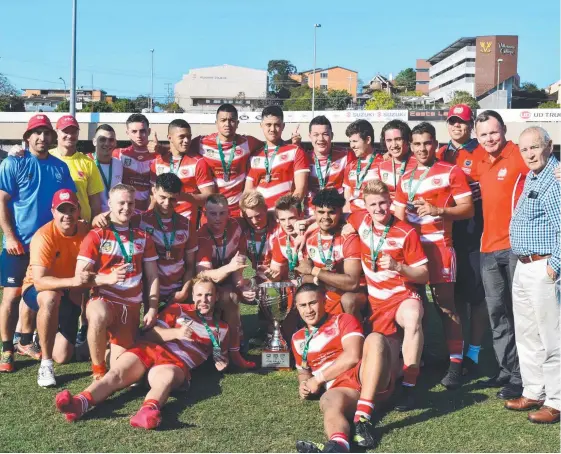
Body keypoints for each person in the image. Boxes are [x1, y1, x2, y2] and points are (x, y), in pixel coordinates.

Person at [55, 276, 230, 429]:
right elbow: (150, 334)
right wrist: (176, 333)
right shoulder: (179, 309)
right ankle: (79, 403)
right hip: (150, 349)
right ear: (193, 296)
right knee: (115, 373)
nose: (204, 299)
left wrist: (222, 362)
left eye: (208, 295)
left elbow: (220, 356)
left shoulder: (222, 329)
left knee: (166, 378)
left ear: (216, 297)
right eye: (199, 295)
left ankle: (147, 412)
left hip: (174, 362)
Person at [394, 122, 474, 390]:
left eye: (426, 143)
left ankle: (456, 363)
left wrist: (439, 210)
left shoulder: (450, 170)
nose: (421, 148)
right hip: (413, 251)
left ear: (435, 144)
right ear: (410, 146)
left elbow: (468, 209)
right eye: (416, 144)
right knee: (417, 306)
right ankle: (422, 356)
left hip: (440, 247)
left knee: (446, 306)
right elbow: (399, 216)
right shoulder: (405, 177)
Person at [0, 114, 76, 373]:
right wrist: (10, 236)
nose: (42, 138)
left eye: (46, 133)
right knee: (11, 296)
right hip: (19, 243)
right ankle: (7, 348)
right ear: (27, 137)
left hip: (47, 246)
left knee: (42, 294)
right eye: (36, 133)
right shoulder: (14, 162)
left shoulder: (59, 167)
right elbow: (2, 200)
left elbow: (68, 203)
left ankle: (25, 340)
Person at [346, 180, 429, 410]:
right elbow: (343, 219)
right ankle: (403, 371)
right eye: (373, 204)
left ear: (390, 202)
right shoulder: (360, 220)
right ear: (365, 205)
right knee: (387, 374)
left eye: (383, 203)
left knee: (413, 318)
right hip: (377, 304)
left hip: (402, 296)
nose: (378, 209)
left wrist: (399, 267)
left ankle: (411, 387)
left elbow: (423, 275)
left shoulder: (406, 231)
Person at [292, 283, 396, 452]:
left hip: (367, 376)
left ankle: (362, 418)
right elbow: (303, 371)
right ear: (296, 307)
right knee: (329, 402)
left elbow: (353, 356)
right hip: (340, 388)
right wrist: (303, 384)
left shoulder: (343, 319)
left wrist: (317, 379)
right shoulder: (297, 338)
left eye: (313, 303)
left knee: (376, 339)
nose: (308, 310)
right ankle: (338, 445)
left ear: (324, 301)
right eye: (303, 305)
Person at [75, 184, 160, 379]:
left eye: (130, 203)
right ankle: (98, 369)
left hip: (130, 306)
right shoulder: (96, 235)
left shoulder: (143, 237)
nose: (126, 208)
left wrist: (153, 308)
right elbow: (79, 276)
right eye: (121, 203)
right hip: (105, 298)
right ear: (110, 204)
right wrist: (107, 278)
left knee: (125, 375)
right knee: (98, 315)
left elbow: (153, 276)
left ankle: (103, 348)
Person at [505, 126, 560, 424]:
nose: (529, 154)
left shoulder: (555, 178)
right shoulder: (533, 176)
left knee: (552, 336)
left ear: (549, 146)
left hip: (544, 265)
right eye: (524, 149)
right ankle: (534, 390)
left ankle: (556, 400)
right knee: (527, 333)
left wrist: (556, 264)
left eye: (535, 147)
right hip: (525, 265)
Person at [475, 110, 526, 400]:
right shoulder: (480, 161)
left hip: (517, 247)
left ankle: (524, 374)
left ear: (504, 130)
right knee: (497, 313)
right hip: (488, 249)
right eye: (483, 134)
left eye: (494, 132)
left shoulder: (519, 154)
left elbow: (546, 167)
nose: (489, 138)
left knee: (520, 312)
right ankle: (508, 369)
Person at [436, 104, 490, 374]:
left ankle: (474, 351)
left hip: (472, 228)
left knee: (476, 294)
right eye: (453, 121)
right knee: (452, 293)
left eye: (463, 122)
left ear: (471, 125)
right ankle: (454, 351)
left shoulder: (482, 151)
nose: (457, 126)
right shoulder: (439, 152)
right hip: (446, 231)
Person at [20, 190, 90, 386]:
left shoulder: (87, 232)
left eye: (71, 209)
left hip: (69, 291)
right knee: (50, 298)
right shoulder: (43, 236)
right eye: (61, 210)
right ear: (53, 212)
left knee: (63, 356)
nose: (67, 215)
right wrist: (75, 282)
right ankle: (45, 364)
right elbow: (40, 282)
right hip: (37, 289)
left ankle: (45, 334)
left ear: (79, 211)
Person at [196, 193, 255, 368]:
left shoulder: (235, 226)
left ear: (229, 212)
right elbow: (203, 274)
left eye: (222, 213)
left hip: (227, 278)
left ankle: (236, 344)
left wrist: (241, 285)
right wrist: (229, 268)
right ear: (205, 214)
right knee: (229, 297)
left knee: (251, 290)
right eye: (213, 213)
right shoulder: (202, 236)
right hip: (204, 282)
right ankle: (223, 349)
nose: (218, 218)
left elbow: (240, 258)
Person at [294, 189, 366, 319]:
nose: (325, 217)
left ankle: (355, 332)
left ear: (340, 213)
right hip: (324, 291)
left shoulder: (348, 237)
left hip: (353, 293)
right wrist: (320, 278)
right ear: (314, 212)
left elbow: (352, 283)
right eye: (321, 212)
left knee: (348, 300)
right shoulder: (309, 237)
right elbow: (304, 277)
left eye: (331, 212)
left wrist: (314, 271)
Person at [137, 173, 198, 308]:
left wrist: (184, 292)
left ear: (179, 197)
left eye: (172, 199)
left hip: (177, 290)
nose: (166, 203)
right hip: (149, 290)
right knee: (150, 327)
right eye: (162, 197)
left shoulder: (186, 225)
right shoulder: (140, 221)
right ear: (154, 191)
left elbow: (190, 264)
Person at [192, 104, 263, 217]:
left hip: (238, 210)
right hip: (211, 210)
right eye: (223, 120)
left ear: (237, 123)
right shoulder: (201, 142)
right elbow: (180, 149)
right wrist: (161, 149)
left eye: (231, 120)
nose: (227, 124)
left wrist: (292, 141)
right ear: (216, 123)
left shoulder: (248, 142)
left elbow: (272, 146)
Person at [149, 119, 215, 227]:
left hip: (186, 224)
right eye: (182, 137)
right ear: (169, 138)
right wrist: (147, 217)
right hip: (160, 222)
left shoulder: (198, 162)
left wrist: (183, 196)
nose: (186, 140)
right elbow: (153, 196)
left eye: (189, 136)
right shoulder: (157, 162)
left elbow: (210, 198)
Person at [245, 105, 310, 210]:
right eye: (268, 125)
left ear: (283, 126)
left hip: (285, 217)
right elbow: (248, 191)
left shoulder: (296, 151)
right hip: (261, 217)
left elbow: (300, 189)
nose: (272, 129)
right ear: (261, 125)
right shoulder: (254, 155)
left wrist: (285, 213)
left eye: (277, 125)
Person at [51, 115, 104, 223]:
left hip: (81, 226)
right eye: (65, 131)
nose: (70, 135)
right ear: (57, 132)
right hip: (52, 226)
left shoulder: (88, 163)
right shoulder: (47, 157)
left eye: (73, 132)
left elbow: (95, 203)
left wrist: (91, 226)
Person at [305, 116, 354, 217]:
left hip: (336, 216)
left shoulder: (346, 155)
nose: (320, 139)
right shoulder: (303, 158)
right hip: (310, 215)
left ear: (332, 135)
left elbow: (349, 191)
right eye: (316, 135)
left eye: (325, 134)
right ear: (310, 136)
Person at [113, 114, 157, 212]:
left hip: (150, 212)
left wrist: (162, 149)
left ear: (149, 131)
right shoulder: (119, 154)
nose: (138, 135)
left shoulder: (158, 156)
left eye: (142, 131)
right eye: (134, 131)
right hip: (125, 211)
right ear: (127, 133)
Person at [238, 190, 279, 286]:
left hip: (280, 274)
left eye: (258, 216)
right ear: (243, 215)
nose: (255, 221)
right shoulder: (242, 231)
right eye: (249, 218)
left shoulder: (279, 225)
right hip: (257, 276)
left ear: (265, 209)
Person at [343, 120, 381, 213]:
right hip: (351, 218)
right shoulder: (351, 165)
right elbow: (347, 201)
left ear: (368, 140)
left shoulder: (383, 163)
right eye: (350, 142)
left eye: (355, 141)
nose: (352, 146)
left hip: (372, 217)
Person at [377, 120, 416, 201]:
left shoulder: (419, 163)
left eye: (398, 139)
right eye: (389, 140)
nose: (394, 145)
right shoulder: (382, 165)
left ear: (407, 140)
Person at [89, 124, 123, 212]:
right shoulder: (86, 162)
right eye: (102, 139)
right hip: (93, 217)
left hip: (114, 216)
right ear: (94, 142)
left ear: (115, 142)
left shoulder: (119, 164)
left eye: (111, 140)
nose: (107, 143)